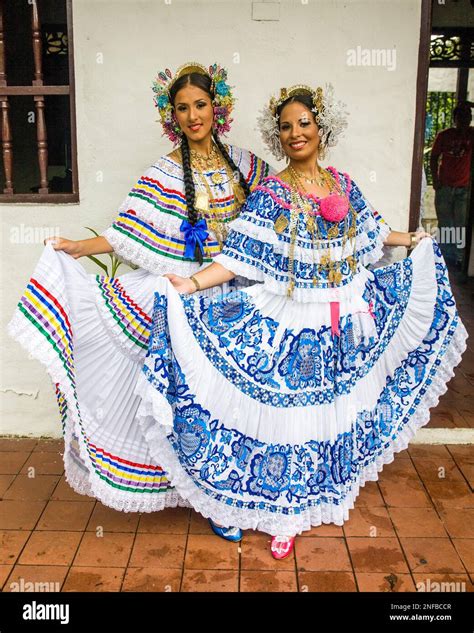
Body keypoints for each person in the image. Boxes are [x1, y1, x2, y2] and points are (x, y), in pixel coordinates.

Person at [133, 83, 468, 559]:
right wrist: (188, 285)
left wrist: (412, 239)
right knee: (289, 423)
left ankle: (311, 499)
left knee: (322, 418)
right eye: (286, 127)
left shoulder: (344, 186)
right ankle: (283, 513)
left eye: (304, 123)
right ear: (278, 136)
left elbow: (370, 235)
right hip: (294, 324)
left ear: (321, 128)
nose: (295, 133)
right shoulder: (273, 192)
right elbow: (238, 257)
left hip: (344, 321)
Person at [7, 62, 272, 519]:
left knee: (236, 400)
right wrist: (76, 247)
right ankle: (198, 491)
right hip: (189, 297)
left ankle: (236, 491)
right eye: (182, 109)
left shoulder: (248, 166)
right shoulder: (163, 174)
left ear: (218, 107)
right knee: (192, 402)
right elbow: (124, 233)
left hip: (243, 299)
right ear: (172, 117)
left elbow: (282, 213)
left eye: (201, 105)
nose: (193, 116)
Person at [430, 101, 473, 266]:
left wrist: (469, 104)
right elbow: (433, 158)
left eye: (468, 116)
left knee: (461, 225)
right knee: (445, 223)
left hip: (464, 189)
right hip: (445, 187)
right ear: (454, 118)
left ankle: (459, 258)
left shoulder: (472, 134)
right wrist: (435, 180)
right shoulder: (444, 135)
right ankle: (445, 258)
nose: (464, 120)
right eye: (460, 116)